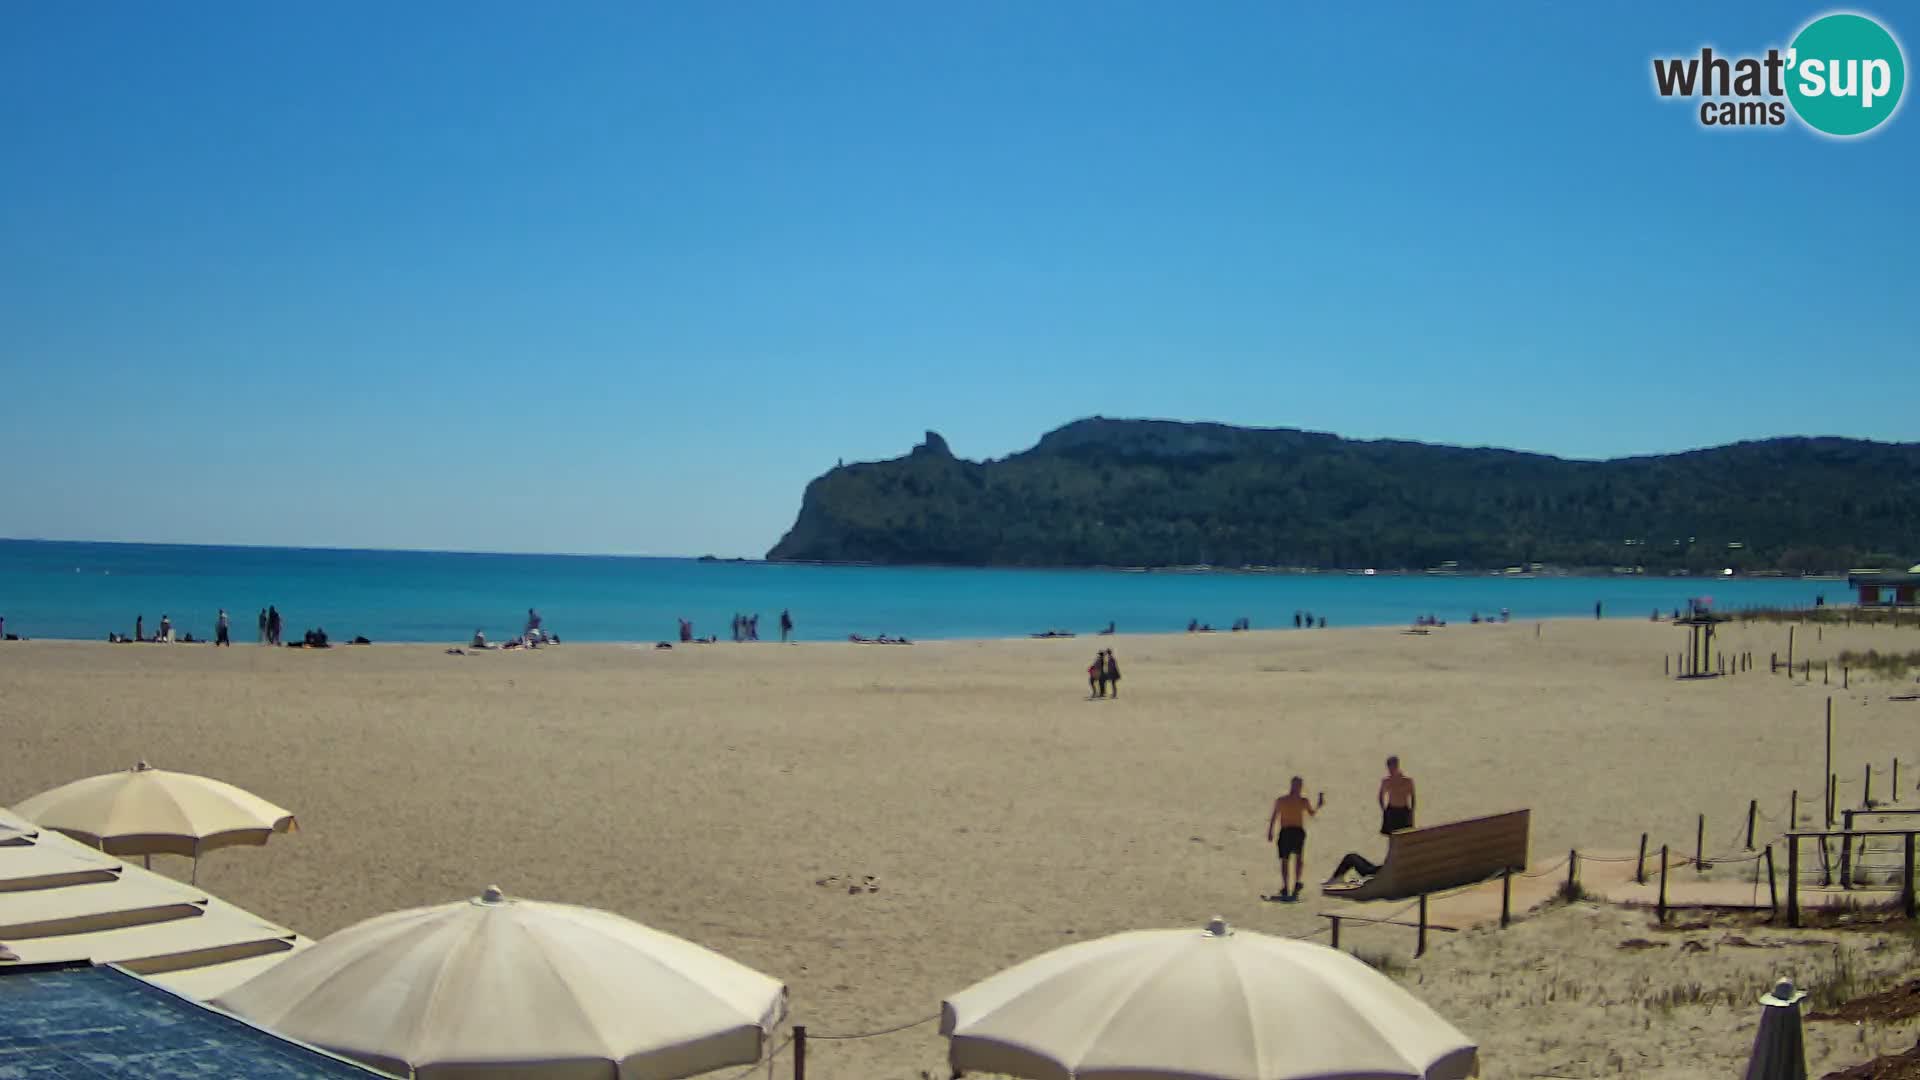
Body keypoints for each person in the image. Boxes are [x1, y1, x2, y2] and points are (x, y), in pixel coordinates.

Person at [1266, 778, 1324, 901]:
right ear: (1292, 786)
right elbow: (1274, 816)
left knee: (1298, 859)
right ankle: (1286, 887)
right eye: (1296, 785)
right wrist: (1270, 831)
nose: (1297, 788)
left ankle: (1296, 884)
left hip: (1297, 832)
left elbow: (1311, 813)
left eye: (1299, 786)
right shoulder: (1282, 800)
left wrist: (1319, 805)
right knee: (1285, 860)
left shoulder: (1303, 801)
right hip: (1286, 831)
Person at [1379, 756, 1415, 835]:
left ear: (1397, 766)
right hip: (1391, 811)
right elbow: (1380, 796)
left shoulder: (1407, 781)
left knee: (1406, 835)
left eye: (1392, 768)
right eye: (1389, 768)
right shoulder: (1386, 781)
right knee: (1391, 836)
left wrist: (1411, 812)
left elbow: (1413, 797)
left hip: (1404, 811)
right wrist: (1384, 811)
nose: (1390, 770)